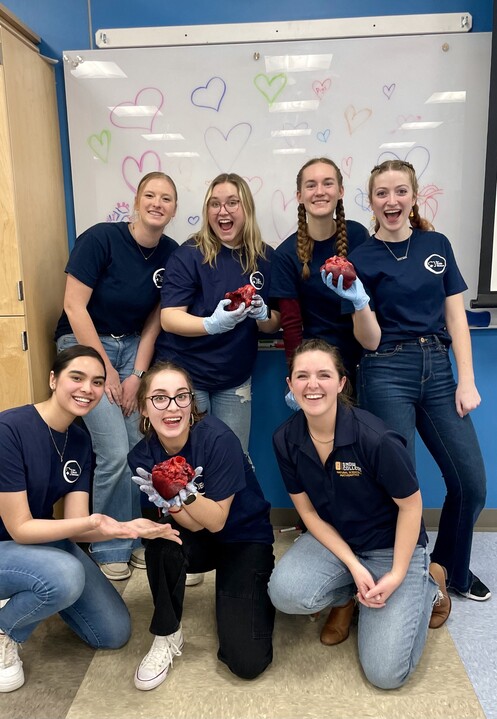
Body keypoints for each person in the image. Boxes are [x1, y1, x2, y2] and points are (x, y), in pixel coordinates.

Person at [323, 159, 490, 602]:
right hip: (385, 370)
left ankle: (450, 569)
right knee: (401, 485)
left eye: (400, 192)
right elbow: (369, 340)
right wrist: (359, 302)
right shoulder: (360, 258)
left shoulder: (437, 244)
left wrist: (466, 379)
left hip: (438, 369)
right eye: (381, 193)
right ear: (371, 201)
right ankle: (412, 578)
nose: (391, 201)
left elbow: (456, 315)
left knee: (471, 483)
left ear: (414, 196)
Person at [268, 339, 450, 691]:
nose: (312, 384)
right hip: (338, 540)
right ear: (290, 385)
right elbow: (307, 511)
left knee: (385, 675)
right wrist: (353, 565)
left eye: (324, 374)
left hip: (392, 546)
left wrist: (396, 575)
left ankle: (429, 584)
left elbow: (411, 506)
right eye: (302, 376)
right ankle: (349, 596)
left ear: (341, 382)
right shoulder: (285, 439)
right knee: (286, 593)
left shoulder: (375, 438)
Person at [0, 345, 182, 694]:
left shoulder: (80, 440)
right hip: (11, 540)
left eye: (97, 382)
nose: (87, 389)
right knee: (65, 575)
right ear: (53, 379)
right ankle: (6, 629)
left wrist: (125, 527)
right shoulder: (10, 429)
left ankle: (32, 586)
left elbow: (77, 522)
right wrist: (102, 524)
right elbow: (18, 527)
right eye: (77, 377)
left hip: (36, 541)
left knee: (113, 633)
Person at [54, 172, 179, 581]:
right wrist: (105, 371)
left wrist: (137, 374)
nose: (157, 203)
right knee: (112, 451)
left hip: (134, 351)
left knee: (139, 446)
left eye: (166, 198)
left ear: (174, 209)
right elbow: (74, 306)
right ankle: (109, 544)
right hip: (85, 344)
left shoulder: (171, 253)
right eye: (150, 195)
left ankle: (135, 537)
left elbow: (155, 321)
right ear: (136, 200)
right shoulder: (101, 239)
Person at [128, 360, 275, 692]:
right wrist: (172, 505)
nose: (172, 407)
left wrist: (183, 493)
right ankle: (166, 633)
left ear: (192, 403)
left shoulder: (218, 439)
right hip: (194, 535)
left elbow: (219, 521)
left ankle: (246, 588)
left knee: (247, 662)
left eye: (182, 396)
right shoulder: (142, 456)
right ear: (144, 407)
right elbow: (187, 528)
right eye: (160, 398)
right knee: (161, 543)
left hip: (242, 537)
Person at [157, 172, 280, 456]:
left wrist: (262, 315)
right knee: (188, 462)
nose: (222, 211)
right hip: (188, 376)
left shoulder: (264, 257)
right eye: (214, 204)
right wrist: (212, 324)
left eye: (232, 203)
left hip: (234, 378)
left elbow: (274, 323)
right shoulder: (189, 254)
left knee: (233, 459)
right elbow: (169, 318)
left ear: (246, 208)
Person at [269, 157, 369, 390]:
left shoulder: (358, 236)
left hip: (365, 359)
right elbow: (292, 325)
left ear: (341, 191)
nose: (319, 192)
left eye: (328, 183)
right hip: (319, 367)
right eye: (311, 185)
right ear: (299, 195)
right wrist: (297, 377)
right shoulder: (285, 254)